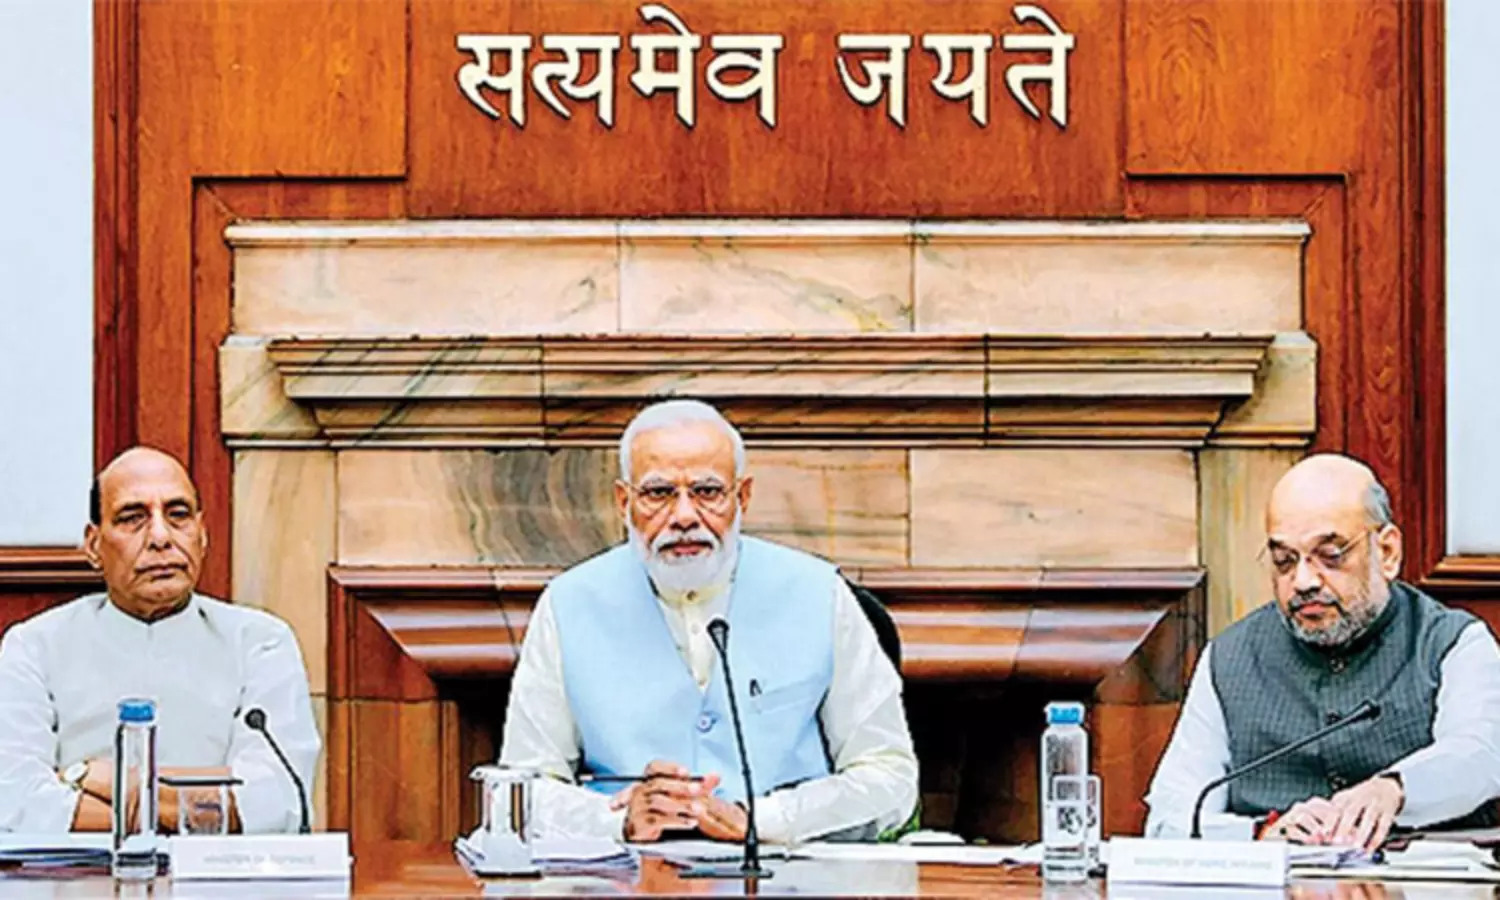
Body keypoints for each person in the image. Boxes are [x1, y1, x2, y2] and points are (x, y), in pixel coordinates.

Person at [499, 399, 919, 843]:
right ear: (624, 502)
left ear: (743, 497)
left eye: (707, 491)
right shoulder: (568, 604)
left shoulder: (821, 594)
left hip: (791, 872)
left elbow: (890, 777)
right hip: (627, 873)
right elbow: (522, 791)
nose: (683, 516)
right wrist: (616, 819)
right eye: (658, 493)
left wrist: (767, 819)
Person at [1144, 454, 1500, 850]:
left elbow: (1481, 756)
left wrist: (1393, 789)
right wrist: (1259, 832)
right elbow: (1170, 818)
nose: (1303, 581)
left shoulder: (1454, 643)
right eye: (1284, 561)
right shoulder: (1228, 659)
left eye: (1330, 556)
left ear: (1387, 552)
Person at [0, 447, 320, 833]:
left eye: (178, 515)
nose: (160, 537)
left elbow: (277, 800)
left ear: (202, 535)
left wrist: (92, 777)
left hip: (220, 872)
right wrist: (191, 812)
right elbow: (15, 802)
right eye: (133, 518)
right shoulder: (34, 647)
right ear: (94, 545)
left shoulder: (260, 642)